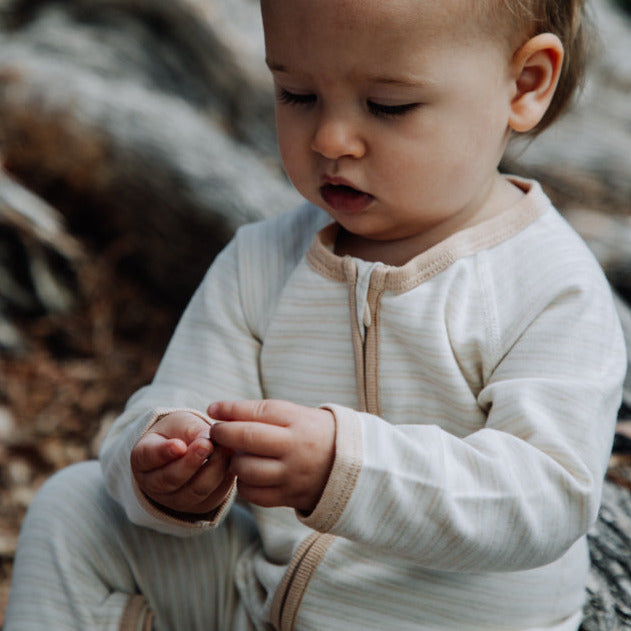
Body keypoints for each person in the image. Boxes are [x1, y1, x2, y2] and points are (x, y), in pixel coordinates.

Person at [5, 0, 626, 629]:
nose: (330, 139)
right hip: (263, 602)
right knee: (75, 506)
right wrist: (166, 463)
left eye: (388, 105)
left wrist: (347, 467)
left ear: (525, 85)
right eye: (297, 93)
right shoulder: (262, 261)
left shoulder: (549, 285)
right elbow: (178, 397)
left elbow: (547, 496)